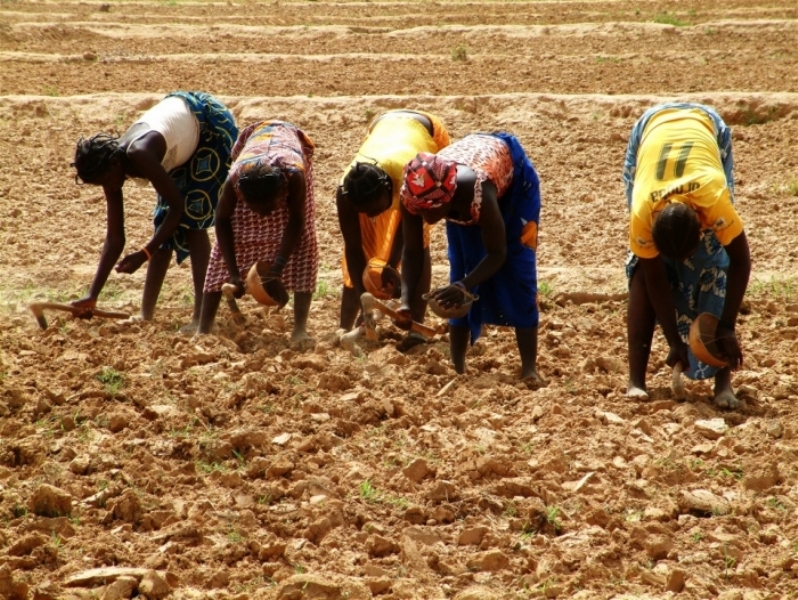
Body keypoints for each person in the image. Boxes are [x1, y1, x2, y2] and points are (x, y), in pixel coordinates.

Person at [70, 91, 237, 332]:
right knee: (163, 224)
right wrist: (92, 294)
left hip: (209, 127)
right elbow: (115, 238)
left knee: (192, 221)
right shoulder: (110, 168)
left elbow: (178, 208)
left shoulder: (140, 153)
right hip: (180, 142)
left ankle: (203, 320)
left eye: (105, 181)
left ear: (115, 164)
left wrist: (145, 253)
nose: (108, 187)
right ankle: (145, 314)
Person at [622, 102, 751, 408]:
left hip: (706, 125)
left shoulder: (713, 200)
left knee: (714, 264)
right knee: (641, 268)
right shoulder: (642, 212)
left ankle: (723, 383)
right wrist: (673, 340)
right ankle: (636, 380)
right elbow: (654, 277)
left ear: (702, 227)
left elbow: (740, 261)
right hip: (650, 128)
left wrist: (727, 326)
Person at [398, 132, 542, 380]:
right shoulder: (414, 196)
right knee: (461, 264)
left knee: (518, 269)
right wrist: (405, 303)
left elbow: (498, 253)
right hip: (464, 192)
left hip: (512, 184)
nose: (426, 218)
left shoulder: (477, 190)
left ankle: (529, 368)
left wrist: (465, 285)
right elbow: (412, 251)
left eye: (432, 211)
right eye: (420, 212)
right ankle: (458, 366)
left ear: (448, 198)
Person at [197, 120, 318, 343]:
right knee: (230, 241)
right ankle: (203, 329)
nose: (263, 216)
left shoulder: (294, 176)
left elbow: (296, 220)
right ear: (242, 197)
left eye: (269, 208)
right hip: (255, 152)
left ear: (280, 194)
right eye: (255, 209)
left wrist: (276, 270)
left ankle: (300, 329)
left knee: (305, 243)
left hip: (287, 153)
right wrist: (234, 273)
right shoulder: (236, 179)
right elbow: (222, 220)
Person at [336, 110, 450, 343]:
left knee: (420, 240)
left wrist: (390, 265)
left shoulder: (411, 179)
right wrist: (366, 299)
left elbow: (411, 240)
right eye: (363, 211)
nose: (370, 215)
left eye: (373, 208)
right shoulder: (346, 191)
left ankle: (415, 326)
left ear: (390, 190)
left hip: (424, 130)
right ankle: (345, 325)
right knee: (366, 244)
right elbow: (353, 248)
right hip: (381, 126)